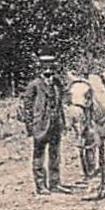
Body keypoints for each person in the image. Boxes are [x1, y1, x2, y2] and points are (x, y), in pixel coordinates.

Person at [20, 55, 67, 194]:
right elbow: (27, 108)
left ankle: (55, 183)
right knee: (39, 156)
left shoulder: (57, 84)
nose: (48, 70)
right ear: (40, 68)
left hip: (55, 123)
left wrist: (63, 122)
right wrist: (30, 126)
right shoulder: (34, 85)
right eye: (45, 67)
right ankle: (40, 185)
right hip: (40, 125)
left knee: (55, 155)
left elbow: (61, 104)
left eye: (51, 67)